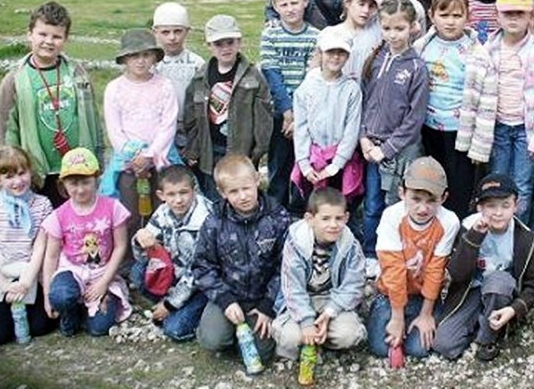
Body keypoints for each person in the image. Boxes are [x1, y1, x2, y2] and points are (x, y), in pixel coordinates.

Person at [0, 1, 103, 207]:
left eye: (56, 36)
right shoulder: (15, 79)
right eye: (42, 34)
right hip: (36, 172)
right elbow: (5, 129)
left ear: (65, 39)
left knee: (78, 228)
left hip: (77, 169)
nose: (48, 42)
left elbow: (92, 117)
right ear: (30, 34)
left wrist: (98, 159)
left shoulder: (78, 73)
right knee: (42, 231)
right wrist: (7, 169)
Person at [192, 154, 292, 369]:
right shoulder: (214, 221)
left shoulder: (277, 216)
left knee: (262, 354)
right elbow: (202, 267)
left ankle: (246, 330)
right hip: (229, 295)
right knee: (212, 340)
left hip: (262, 298)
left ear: (257, 180)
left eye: (246, 188)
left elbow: (286, 266)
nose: (243, 196)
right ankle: (224, 326)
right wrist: (225, 300)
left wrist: (268, 306)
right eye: (234, 192)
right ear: (222, 192)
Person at [433, 173, 534, 362]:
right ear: (479, 207)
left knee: (498, 281)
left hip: (500, 293)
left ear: (515, 206)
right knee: (443, 345)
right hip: (471, 290)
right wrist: (474, 238)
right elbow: (457, 274)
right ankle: (477, 321)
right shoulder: (468, 228)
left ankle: (488, 338)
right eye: (491, 206)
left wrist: (514, 309)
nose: (498, 213)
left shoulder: (524, 237)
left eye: (505, 205)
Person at [413, 0, 497, 219]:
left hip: (460, 133)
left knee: (458, 187)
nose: (450, 22)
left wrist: (480, 146)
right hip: (428, 129)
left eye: (457, 15)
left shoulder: (477, 54)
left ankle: (457, 233)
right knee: (429, 182)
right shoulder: (421, 47)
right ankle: (431, 226)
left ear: (467, 17)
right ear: (432, 16)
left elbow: (487, 104)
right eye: (444, 15)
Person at [360, 0, 429, 279]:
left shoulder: (416, 68)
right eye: (387, 28)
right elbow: (365, 101)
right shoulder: (376, 59)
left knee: (394, 204)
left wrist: (386, 149)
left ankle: (395, 255)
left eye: (399, 28)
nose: (392, 35)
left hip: (398, 151)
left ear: (412, 28)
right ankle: (368, 254)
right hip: (370, 146)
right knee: (372, 203)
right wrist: (364, 137)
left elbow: (414, 119)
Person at [366, 157, 460, 359]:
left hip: (422, 294)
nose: (423, 208)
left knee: (419, 349)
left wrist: (426, 314)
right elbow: (393, 270)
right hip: (391, 292)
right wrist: (397, 317)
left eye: (431, 200)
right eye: (416, 199)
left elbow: (436, 269)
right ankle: (391, 314)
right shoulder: (391, 217)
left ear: (443, 198)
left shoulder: (449, 221)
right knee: (380, 348)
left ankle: (421, 316)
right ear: (402, 193)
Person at [483, 0, 534, 227]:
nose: (513, 18)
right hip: (498, 126)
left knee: (522, 184)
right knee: (498, 181)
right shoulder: (488, 49)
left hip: (527, 129)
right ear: (497, 15)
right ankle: (496, 231)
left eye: (520, 13)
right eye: (507, 13)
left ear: (530, 16)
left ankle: (520, 234)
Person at [42, 147, 132, 337]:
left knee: (99, 328)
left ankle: (95, 304)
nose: (80, 189)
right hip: (72, 271)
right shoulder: (59, 216)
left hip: (102, 271)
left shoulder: (112, 208)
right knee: (61, 296)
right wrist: (47, 296)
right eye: (73, 183)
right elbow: (51, 256)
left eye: (86, 182)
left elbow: (120, 246)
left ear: (96, 180)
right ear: (63, 184)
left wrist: (104, 282)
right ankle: (70, 313)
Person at [183, 14, 273, 202]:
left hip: (241, 149)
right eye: (219, 44)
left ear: (239, 42)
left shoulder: (252, 76)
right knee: (215, 196)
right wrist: (193, 150)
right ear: (209, 46)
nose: (225, 48)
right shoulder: (200, 78)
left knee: (241, 197)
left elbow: (264, 119)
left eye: (230, 42)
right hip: (210, 150)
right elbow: (191, 118)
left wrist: (257, 153)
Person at [272, 188, 367, 361]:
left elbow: (354, 285)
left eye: (338, 218)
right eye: (325, 218)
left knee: (349, 335)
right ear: (310, 219)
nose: (333, 225)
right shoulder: (295, 243)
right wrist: (306, 322)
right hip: (302, 298)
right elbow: (292, 288)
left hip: (332, 300)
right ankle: (311, 336)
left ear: (346, 218)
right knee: (289, 337)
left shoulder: (351, 246)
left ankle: (317, 338)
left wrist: (330, 312)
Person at [0, 146, 56, 345]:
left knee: (41, 327)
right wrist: (4, 285)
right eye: (9, 177)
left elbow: (39, 248)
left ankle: (26, 308)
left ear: (30, 171)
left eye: (22, 173)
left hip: (29, 270)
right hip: (2, 270)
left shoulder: (42, 204)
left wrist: (26, 282)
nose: (18, 182)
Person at [103, 28, 179, 232]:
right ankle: (129, 255)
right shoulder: (114, 88)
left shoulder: (164, 86)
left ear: (155, 57)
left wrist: (150, 154)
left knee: (161, 207)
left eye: (146, 55)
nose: (140, 61)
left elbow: (168, 124)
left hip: (159, 158)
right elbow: (114, 128)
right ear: (124, 59)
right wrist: (134, 156)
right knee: (129, 210)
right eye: (134, 55)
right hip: (128, 161)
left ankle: (160, 255)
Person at [130, 165, 212, 341]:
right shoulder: (163, 212)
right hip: (176, 273)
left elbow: (197, 270)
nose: (178, 200)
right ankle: (172, 303)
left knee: (175, 330)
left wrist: (170, 305)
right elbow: (143, 255)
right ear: (161, 196)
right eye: (172, 195)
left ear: (194, 191)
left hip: (202, 283)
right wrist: (139, 241)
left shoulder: (205, 219)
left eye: (184, 193)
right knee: (138, 271)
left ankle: (200, 310)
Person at [260, 0, 320, 208]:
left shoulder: (315, 36)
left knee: (302, 162)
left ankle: (299, 210)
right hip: (278, 112)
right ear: (275, 7)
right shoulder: (270, 35)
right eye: (283, 5)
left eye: (294, 2)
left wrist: (297, 114)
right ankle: (275, 210)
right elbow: (271, 72)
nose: (290, 9)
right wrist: (286, 110)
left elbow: (311, 76)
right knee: (278, 164)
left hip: (305, 114)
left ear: (305, 1)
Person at [291, 28, 363, 214]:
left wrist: (336, 164)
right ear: (321, 53)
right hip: (313, 159)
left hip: (338, 161)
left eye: (341, 53)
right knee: (314, 207)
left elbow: (351, 129)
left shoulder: (351, 90)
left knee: (338, 206)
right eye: (331, 52)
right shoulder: (307, 87)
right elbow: (301, 127)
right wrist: (304, 164)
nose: (336, 57)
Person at [151, 2, 205, 152]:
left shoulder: (197, 64)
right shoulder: (151, 65)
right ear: (155, 32)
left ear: (187, 31)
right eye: (165, 32)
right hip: (158, 130)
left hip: (191, 130)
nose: (172, 37)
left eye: (178, 31)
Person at [317, 0, 382, 80]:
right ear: (347, 2)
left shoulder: (377, 30)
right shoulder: (330, 33)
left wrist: (380, 2)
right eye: (361, 4)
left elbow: (393, 15)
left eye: (371, 6)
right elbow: (315, 69)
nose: (366, 10)